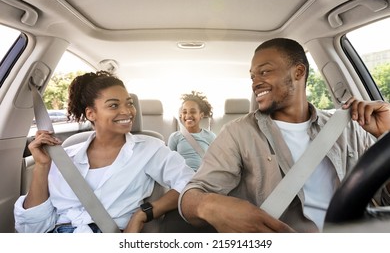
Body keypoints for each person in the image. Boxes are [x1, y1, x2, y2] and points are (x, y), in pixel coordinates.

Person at [178, 38, 390, 233]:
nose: (255, 82)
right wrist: (208, 206)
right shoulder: (238, 133)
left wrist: (387, 134)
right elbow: (191, 196)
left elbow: (383, 197)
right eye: (252, 76)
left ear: (298, 72)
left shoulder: (348, 127)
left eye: (265, 72)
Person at [14, 71, 194, 233]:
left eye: (129, 103)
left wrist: (143, 214)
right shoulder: (64, 155)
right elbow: (32, 228)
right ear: (91, 114)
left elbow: (189, 183)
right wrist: (42, 165)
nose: (127, 111)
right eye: (114, 105)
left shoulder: (150, 148)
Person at [168, 91, 216, 171]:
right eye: (184, 112)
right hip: (181, 177)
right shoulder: (175, 137)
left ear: (201, 115)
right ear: (181, 115)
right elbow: (169, 163)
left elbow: (215, 162)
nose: (188, 115)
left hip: (203, 178)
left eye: (193, 112)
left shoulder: (210, 136)